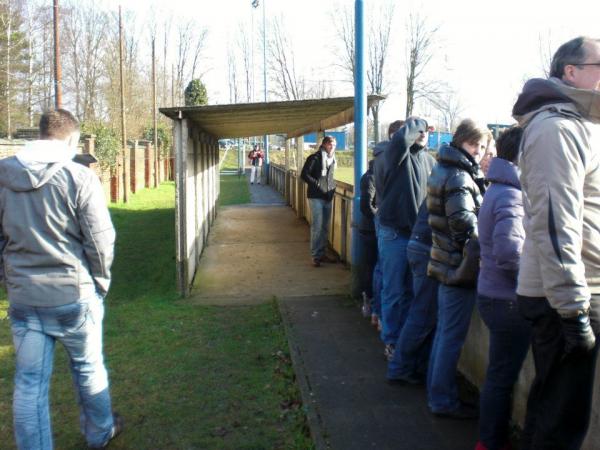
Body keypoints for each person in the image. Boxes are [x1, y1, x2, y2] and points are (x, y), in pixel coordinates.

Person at [0, 109, 123, 449]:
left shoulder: (2, 175)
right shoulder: (79, 177)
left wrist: (9, 280)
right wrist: (100, 281)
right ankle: (100, 433)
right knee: (88, 369)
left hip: (25, 300)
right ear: (71, 138)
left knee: (28, 384)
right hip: (73, 295)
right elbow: (100, 239)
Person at [512, 36, 600, 450]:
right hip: (564, 296)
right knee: (560, 423)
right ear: (571, 72)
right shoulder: (558, 128)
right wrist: (573, 313)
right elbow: (555, 224)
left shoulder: (577, 125)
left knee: (555, 411)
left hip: (568, 291)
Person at [426, 118, 491, 419]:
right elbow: (464, 226)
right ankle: (442, 400)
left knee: (444, 335)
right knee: (450, 338)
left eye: (481, 147)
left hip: (445, 262)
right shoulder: (459, 176)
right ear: (462, 141)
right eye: (474, 145)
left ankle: (437, 393)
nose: (478, 152)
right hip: (457, 267)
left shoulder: (445, 168)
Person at [474, 126, 530, 450]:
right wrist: (536, 282)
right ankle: (491, 442)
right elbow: (510, 253)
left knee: (498, 375)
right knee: (501, 378)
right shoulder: (511, 193)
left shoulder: (498, 187)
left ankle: (490, 439)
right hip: (507, 301)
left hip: (493, 294)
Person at [376, 118, 434, 360]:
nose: (423, 133)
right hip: (395, 234)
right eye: (419, 130)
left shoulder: (429, 161)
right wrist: (419, 122)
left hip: (419, 237)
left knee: (412, 293)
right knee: (394, 291)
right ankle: (391, 341)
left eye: (427, 131)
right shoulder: (393, 155)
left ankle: (406, 344)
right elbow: (400, 141)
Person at [387, 199, 439, 385]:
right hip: (427, 250)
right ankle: (400, 367)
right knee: (422, 315)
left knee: (423, 315)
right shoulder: (454, 179)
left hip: (420, 245)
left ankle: (412, 366)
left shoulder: (441, 177)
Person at [371, 120, 404, 329]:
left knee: (382, 269)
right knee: (388, 275)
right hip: (390, 222)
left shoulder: (382, 156)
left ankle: (377, 312)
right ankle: (383, 319)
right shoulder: (388, 158)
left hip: (385, 219)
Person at [300, 136, 337, 267]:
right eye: (330, 144)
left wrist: (332, 188)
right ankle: (316, 256)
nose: (332, 147)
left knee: (325, 227)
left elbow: (330, 177)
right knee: (317, 226)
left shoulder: (332, 159)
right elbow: (304, 175)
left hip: (327, 196)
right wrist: (317, 184)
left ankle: (322, 253)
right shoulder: (314, 158)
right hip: (315, 197)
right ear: (324, 145)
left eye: (334, 144)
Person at [358, 159, 378, 319]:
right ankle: (368, 300)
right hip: (370, 229)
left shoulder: (376, 175)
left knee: (372, 267)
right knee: (371, 267)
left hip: (372, 228)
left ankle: (370, 301)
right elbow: (366, 205)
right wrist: (380, 218)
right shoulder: (371, 177)